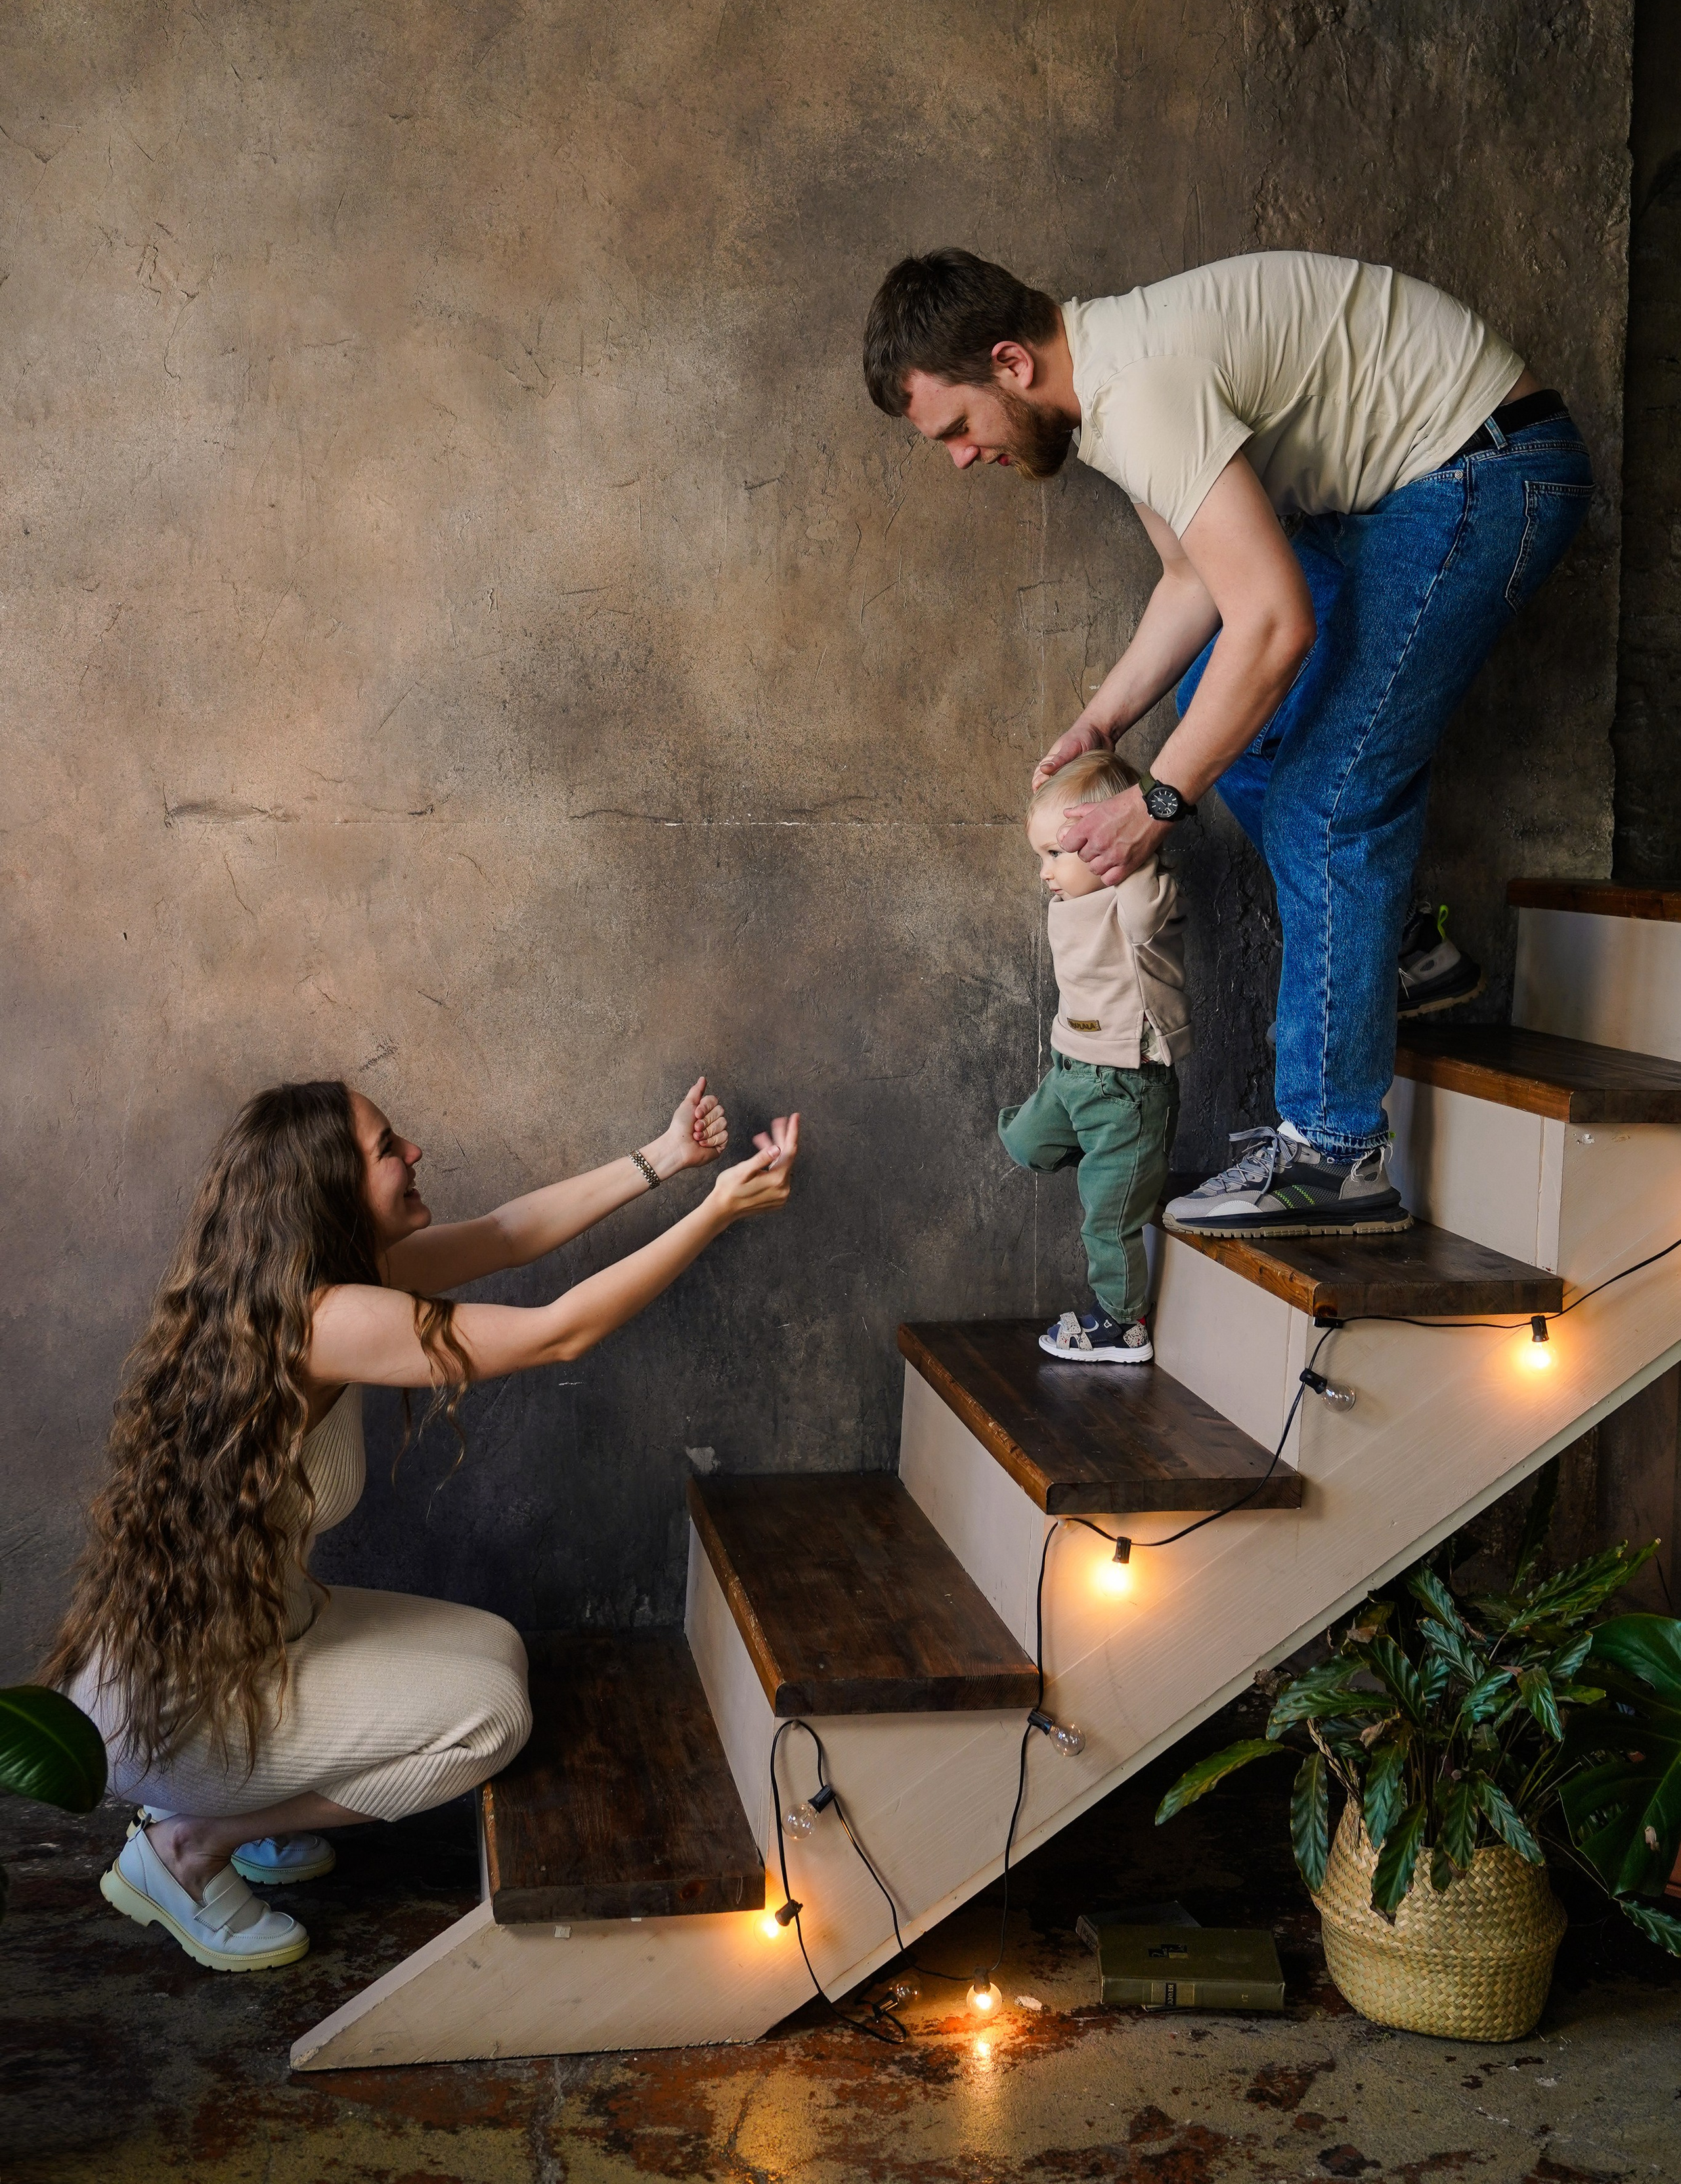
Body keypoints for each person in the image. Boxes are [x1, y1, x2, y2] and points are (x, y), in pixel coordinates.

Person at [864, 247, 1593, 1239]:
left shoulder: (1140, 390)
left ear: (1010, 363)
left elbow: (1277, 623)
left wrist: (1157, 803)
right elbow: (1195, 583)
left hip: (1489, 471)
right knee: (1232, 722)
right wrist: (1105, 720)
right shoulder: (1110, 388)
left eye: (956, 426)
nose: (958, 457)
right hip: (1406, 490)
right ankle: (1404, 951)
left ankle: (1335, 1154)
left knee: (1319, 796)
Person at [46, 1073, 799, 1972]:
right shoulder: (327, 1319)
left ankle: (234, 1813)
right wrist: (714, 1211)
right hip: (175, 1713)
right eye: (387, 1148)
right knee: (491, 1720)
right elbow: (557, 1333)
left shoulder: (307, 1286)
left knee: (494, 1649)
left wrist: (664, 1159)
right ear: (328, 1191)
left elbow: (506, 1235)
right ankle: (190, 1844)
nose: (415, 1154)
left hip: (244, 1639)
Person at [998, 748, 1189, 1364]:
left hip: (1126, 1085)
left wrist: (1134, 839)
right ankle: (1124, 1160)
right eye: (1041, 857)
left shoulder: (1134, 900)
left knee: (1105, 1223)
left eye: (1057, 854)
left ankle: (1121, 1324)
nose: (1045, 873)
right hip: (1072, 1071)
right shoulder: (1068, 902)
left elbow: (1139, 885)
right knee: (1025, 1143)